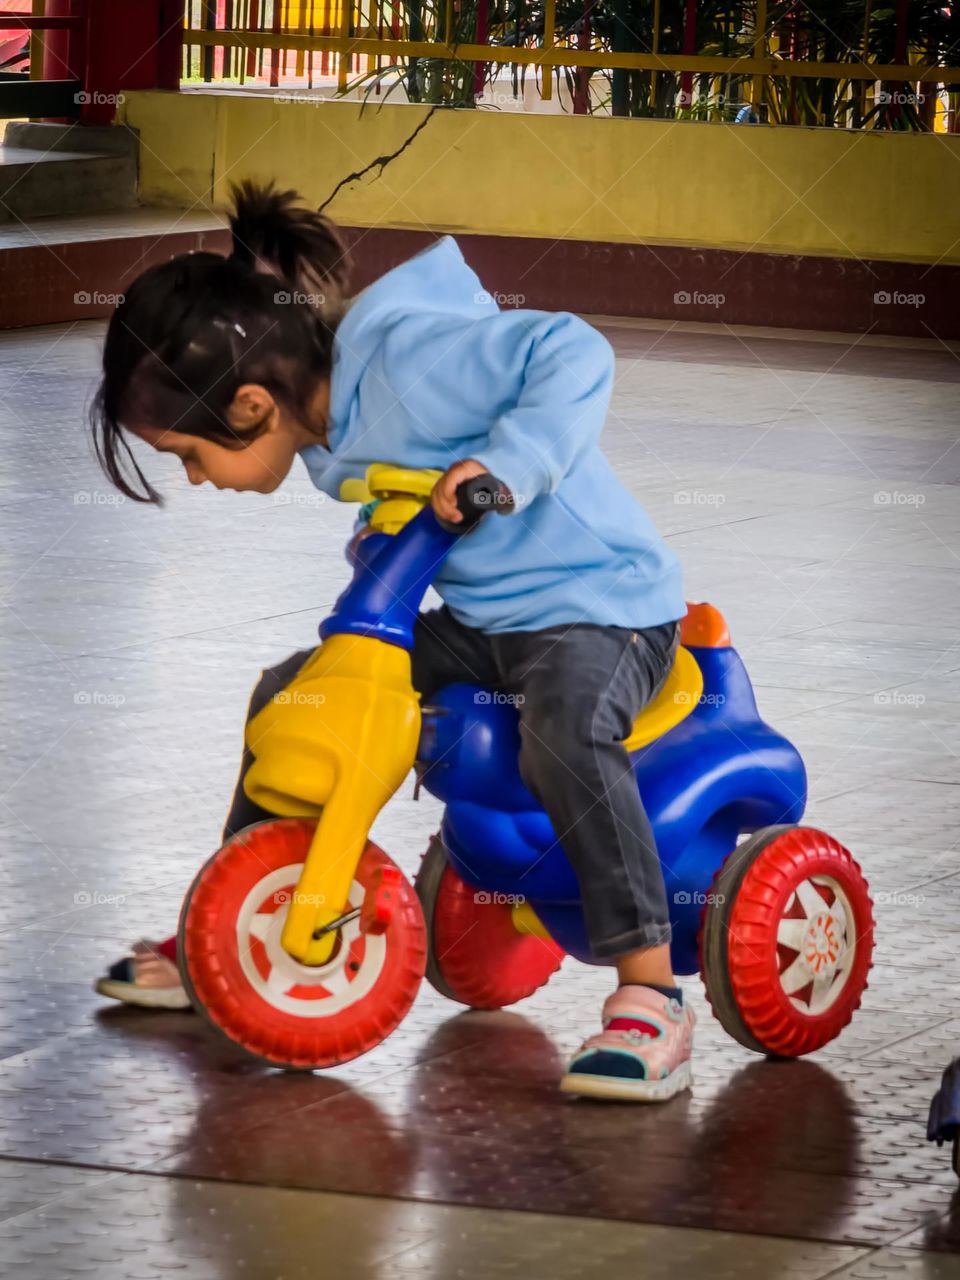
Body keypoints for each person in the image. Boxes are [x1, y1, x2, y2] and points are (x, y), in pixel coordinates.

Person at [89, 182, 693, 1101]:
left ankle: (651, 993)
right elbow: (401, 477)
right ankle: (243, 913)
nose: (197, 478)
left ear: (251, 406)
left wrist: (508, 464)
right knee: (296, 691)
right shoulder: (327, 429)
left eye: (188, 454)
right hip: (485, 623)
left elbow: (573, 350)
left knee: (565, 727)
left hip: (600, 606)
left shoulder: (412, 359)